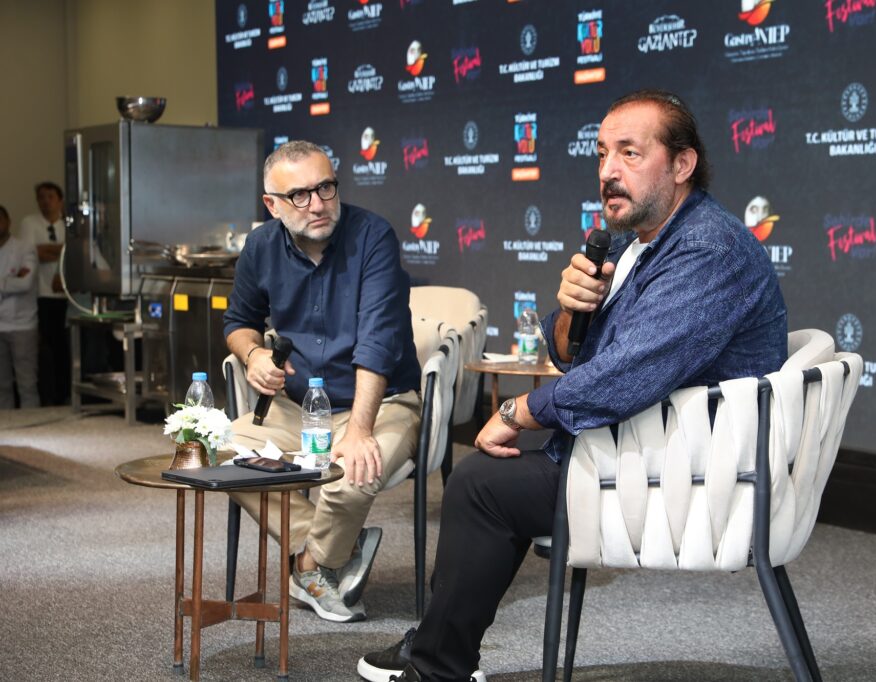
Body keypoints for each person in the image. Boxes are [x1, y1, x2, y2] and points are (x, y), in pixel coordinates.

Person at [357, 89, 788, 682]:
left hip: (682, 479)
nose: (608, 171)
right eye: (602, 153)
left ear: (682, 164)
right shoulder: (638, 246)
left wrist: (517, 410)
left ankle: (437, 664)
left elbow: (625, 375)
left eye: (630, 153)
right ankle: (438, 647)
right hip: (641, 451)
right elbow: (573, 356)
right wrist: (570, 309)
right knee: (491, 480)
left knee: (482, 485)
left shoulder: (707, 249)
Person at [224, 140, 422, 623]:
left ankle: (310, 566)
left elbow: (377, 342)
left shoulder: (373, 236)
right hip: (298, 408)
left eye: (326, 188)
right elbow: (238, 323)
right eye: (299, 195)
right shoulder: (261, 246)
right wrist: (252, 354)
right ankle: (340, 547)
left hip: (383, 401)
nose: (317, 204)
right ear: (271, 205)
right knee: (223, 452)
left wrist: (359, 430)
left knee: (353, 470)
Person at [19, 182, 69, 405]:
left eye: (50, 197)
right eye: (41, 197)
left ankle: (65, 393)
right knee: (46, 348)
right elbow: (31, 253)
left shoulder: (68, 224)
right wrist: (61, 249)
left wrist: (50, 250)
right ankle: (49, 397)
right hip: (41, 295)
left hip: (66, 295)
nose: (45, 201)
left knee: (65, 348)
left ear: (60, 200)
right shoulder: (29, 223)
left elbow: (74, 252)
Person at [0, 205, 40, 409]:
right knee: (2, 386)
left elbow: (25, 283)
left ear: (8, 221)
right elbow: (16, 282)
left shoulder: (24, 248)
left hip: (22, 325)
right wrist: (9, 281)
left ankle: (32, 423)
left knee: (27, 384)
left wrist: (4, 284)